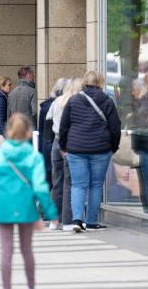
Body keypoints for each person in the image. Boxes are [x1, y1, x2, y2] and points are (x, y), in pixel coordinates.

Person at [0, 113, 58, 289]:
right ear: (28, 133)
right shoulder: (34, 157)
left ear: (8, 131)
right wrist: (51, 213)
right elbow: (41, 188)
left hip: (3, 207)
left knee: (6, 251)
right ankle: (31, 285)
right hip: (26, 208)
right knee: (27, 250)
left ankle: (6, 287)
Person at [59, 70, 121, 232]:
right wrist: (113, 147)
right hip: (101, 149)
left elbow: (64, 126)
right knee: (95, 185)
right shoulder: (107, 101)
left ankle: (77, 220)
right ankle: (92, 222)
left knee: (78, 185)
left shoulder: (74, 100)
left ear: (85, 82)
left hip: (76, 149)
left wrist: (63, 146)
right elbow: (115, 128)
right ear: (100, 82)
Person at [46, 77, 81, 231]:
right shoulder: (76, 102)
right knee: (69, 182)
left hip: (56, 142)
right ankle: (67, 221)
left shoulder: (57, 101)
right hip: (69, 143)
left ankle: (54, 221)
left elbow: (48, 120)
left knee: (57, 182)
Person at [130, 74, 148, 213]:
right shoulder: (143, 101)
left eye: (134, 88)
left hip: (147, 145)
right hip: (145, 145)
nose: (132, 91)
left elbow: (141, 124)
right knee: (147, 182)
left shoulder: (145, 102)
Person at [38, 78, 67, 191]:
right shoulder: (63, 105)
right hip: (58, 144)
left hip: (47, 145)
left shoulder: (45, 106)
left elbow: (41, 130)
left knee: (52, 182)